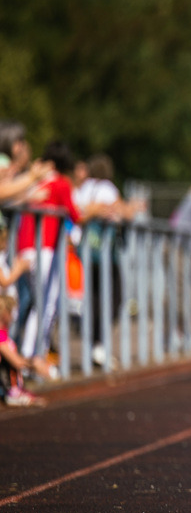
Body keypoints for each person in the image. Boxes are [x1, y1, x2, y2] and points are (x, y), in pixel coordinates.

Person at [16, 140, 79, 375]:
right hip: (45, 248)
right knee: (47, 304)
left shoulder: (34, 181)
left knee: (35, 303)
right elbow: (76, 214)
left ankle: (27, 356)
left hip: (23, 245)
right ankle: (33, 357)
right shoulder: (61, 183)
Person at [73, 154, 129, 367]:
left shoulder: (83, 188)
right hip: (103, 252)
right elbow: (121, 212)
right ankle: (98, 343)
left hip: (85, 250)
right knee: (114, 297)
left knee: (94, 297)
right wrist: (128, 208)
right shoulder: (107, 188)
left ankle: (94, 344)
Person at [0, 295, 51, 406]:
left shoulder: (4, 334)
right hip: (7, 388)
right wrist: (34, 364)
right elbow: (16, 362)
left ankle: (16, 389)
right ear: (5, 314)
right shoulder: (1, 337)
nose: (13, 317)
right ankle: (12, 392)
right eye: (11, 312)